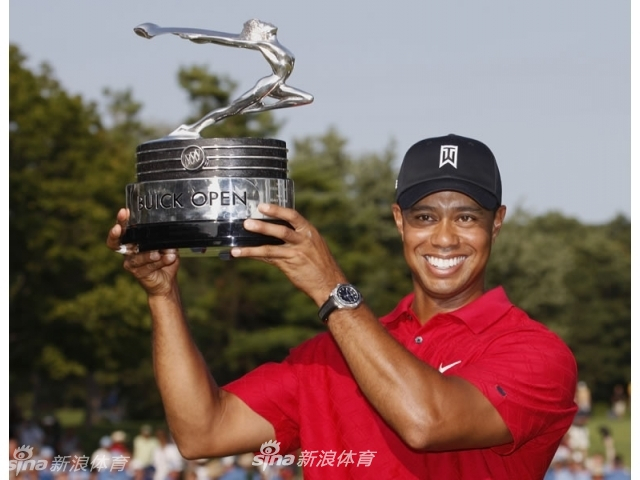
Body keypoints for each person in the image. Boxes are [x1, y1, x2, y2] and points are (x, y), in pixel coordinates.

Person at [107, 133, 578, 479]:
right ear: (399, 221)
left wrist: (331, 288)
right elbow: (202, 432)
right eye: (425, 217)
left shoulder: (536, 353)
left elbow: (425, 422)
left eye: (467, 217)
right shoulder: (332, 352)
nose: (444, 238)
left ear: (497, 223)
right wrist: (163, 296)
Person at [134, 19, 313, 137]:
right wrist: (200, 37)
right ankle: (192, 128)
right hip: (269, 84)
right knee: (230, 110)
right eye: (264, 24)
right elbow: (229, 40)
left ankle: (255, 108)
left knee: (306, 98)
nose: (269, 24)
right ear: (263, 32)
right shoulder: (264, 43)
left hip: (279, 85)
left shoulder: (275, 44)